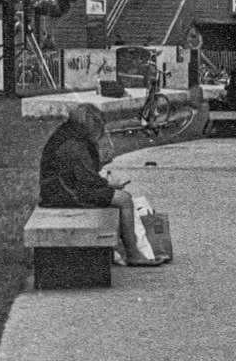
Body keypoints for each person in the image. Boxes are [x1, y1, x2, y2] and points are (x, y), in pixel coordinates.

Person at [38, 103, 165, 266]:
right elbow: (87, 179)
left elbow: (80, 173)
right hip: (64, 194)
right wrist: (109, 185)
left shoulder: (67, 135)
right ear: (91, 125)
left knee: (115, 197)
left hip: (58, 191)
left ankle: (123, 249)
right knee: (124, 199)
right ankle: (134, 254)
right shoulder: (74, 144)